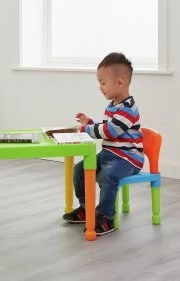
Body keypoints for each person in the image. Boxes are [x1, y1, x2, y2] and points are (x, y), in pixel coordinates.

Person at [63, 52, 144, 235]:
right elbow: (106, 128)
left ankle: (106, 216)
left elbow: (110, 131)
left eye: (103, 82)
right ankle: (87, 208)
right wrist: (90, 123)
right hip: (110, 155)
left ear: (120, 82)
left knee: (107, 175)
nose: (100, 87)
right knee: (80, 170)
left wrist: (86, 130)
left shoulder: (128, 109)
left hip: (128, 158)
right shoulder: (113, 105)